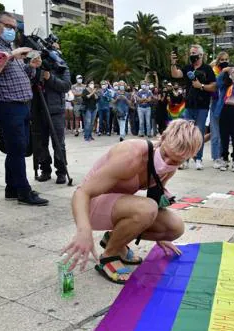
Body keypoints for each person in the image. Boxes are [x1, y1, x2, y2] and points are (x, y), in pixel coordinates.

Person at [61, 119, 203, 284]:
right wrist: (83, 231)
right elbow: (82, 193)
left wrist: (161, 236)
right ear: (162, 138)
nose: (168, 163)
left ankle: (114, 239)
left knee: (174, 228)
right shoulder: (131, 155)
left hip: (117, 206)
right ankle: (109, 255)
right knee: (146, 209)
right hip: (91, 206)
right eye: (166, 155)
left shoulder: (169, 168)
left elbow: (155, 196)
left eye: (178, 161)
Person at [0, 10, 49, 206]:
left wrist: (32, 65)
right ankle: (23, 191)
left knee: (17, 148)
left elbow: (21, 74)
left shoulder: (10, 46)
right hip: (6, 104)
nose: (12, 31)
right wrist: (12, 55)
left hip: (22, 104)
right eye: (8, 26)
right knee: (17, 148)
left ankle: (12, 187)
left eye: (14, 28)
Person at [170, 44, 216, 170]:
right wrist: (173, 64)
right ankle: (185, 159)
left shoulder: (207, 69)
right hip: (189, 105)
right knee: (187, 133)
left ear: (201, 55)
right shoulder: (188, 67)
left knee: (199, 133)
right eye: (190, 52)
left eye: (194, 53)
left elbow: (214, 86)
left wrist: (201, 86)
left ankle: (198, 159)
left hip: (202, 106)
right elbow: (176, 74)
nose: (192, 55)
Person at [30, 60, 71, 184]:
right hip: (38, 110)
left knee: (58, 143)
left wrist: (49, 77)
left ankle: (61, 171)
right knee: (40, 143)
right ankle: (45, 170)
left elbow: (65, 86)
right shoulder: (33, 65)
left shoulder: (61, 66)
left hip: (55, 111)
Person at [213, 65, 234, 172]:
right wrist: (223, 71)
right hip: (224, 109)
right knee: (224, 136)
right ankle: (225, 158)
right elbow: (217, 82)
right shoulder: (224, 84)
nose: (233, 72)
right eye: (231, 71)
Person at [209, 51, 230, 168]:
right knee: (216, 134)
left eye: (226, 59)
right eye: (222, 60)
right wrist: (222, 72)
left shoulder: (230, 72)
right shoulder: (214, 71)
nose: (224, 62)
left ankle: (223, 156)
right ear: (218, 61)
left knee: (224, 134)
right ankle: (215, 158)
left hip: (227, 106)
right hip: (215, 105)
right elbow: (216, 84)